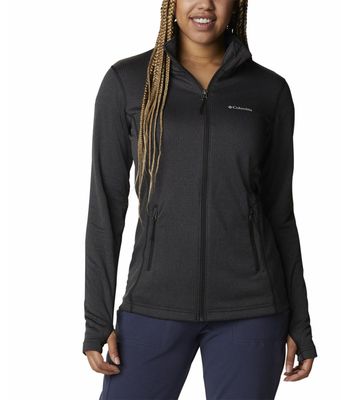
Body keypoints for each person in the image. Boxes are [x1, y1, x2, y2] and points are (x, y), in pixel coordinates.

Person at [82, 0, 318, 398]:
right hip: (153, 303)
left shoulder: (269, 90)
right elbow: (105, 207)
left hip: (253, 309)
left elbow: (280, 213)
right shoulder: (128, 81)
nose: (204, 4)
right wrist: (97, 318)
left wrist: (300, 322)